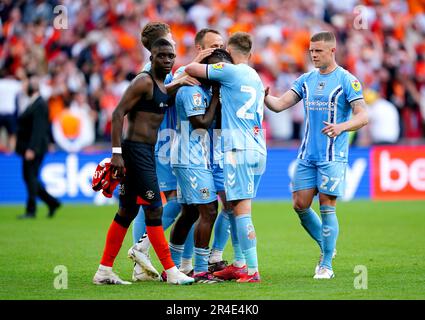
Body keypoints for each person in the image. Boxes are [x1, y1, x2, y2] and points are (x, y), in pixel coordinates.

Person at [264, 31, 368, 279]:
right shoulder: (306, 79)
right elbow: (279, 105)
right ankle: (327, 247)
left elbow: (363, 116)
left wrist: (341, 127)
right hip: (306, 155)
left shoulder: (347, 80)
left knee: (327, 206)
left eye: (318, 51)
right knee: (300, 205)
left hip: (332, 155)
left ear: (332, 51)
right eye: (311, 50)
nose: (313, 55)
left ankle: (326, 265)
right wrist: (264, 96)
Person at [92, 39, 194, 285]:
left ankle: (104, 271)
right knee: (155, 209)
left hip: (144, 151)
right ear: (151, 58)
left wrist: (179, 82)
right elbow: (117, 113)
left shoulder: (159, 83)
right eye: (162, 56)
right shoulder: (144, 80)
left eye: (171, 56)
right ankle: (171, 271)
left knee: (126, 211)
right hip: (135, 152)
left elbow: (160, 96)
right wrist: (117, 153)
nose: (168, 60)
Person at [128, 22, 212, 281]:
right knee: (173, 201)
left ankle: (158, 264)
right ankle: (142, 250)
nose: (174, 43)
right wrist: (183, 76)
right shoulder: (148, 72)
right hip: (158, 144)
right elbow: (158, 95)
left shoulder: (164, 68)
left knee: (178, 202)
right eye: (170, 39)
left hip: (165, 141)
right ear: (158, 45)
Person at [185, 32, 267, 283]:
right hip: (258, 148)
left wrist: (202, 55)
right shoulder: (255, 76)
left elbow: (190, 68)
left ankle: (251, 271)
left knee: (241, 212)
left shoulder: (229, 71)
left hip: (237, 150)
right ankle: (240, 263)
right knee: (233, 209)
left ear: (229, 54)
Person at [168, 49, 234, 283]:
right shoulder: (192, 91)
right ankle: (201, 270)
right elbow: (200, 123)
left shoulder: (201, 89)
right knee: (209, 211)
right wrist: (216, 96)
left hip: (194, 157)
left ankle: (172, 268)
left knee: (189, 213)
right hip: (191, 158)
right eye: (216, 70)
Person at [16, 76, 61, 219]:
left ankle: (31, 210)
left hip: (34, 149)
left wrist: (32, 149)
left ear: (32, 87)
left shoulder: (39, 104)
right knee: (30, 178)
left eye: (25, 85)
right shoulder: (34, 103)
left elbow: (38, 129)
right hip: (30, 148)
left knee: (31, 177)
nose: (23, 87)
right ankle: (52, 202)